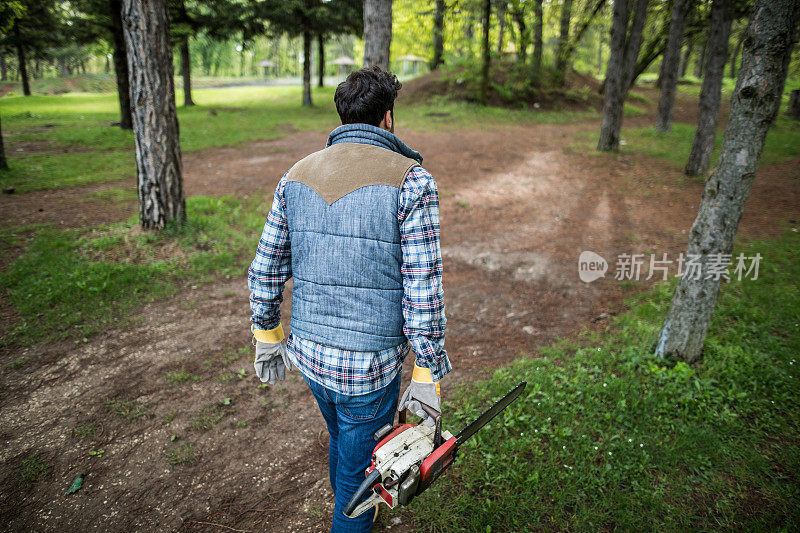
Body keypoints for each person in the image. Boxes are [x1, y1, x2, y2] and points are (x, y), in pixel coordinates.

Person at [247, 66, 450, 532]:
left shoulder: (294, 175)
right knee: (361, 482)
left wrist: (267, 334)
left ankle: (347, 498)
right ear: (388, 120)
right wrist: (426, 372)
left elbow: (265, 268)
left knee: (344, 442)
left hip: (310, 358)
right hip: (368, 368)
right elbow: (424, 287)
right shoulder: (412, 181)